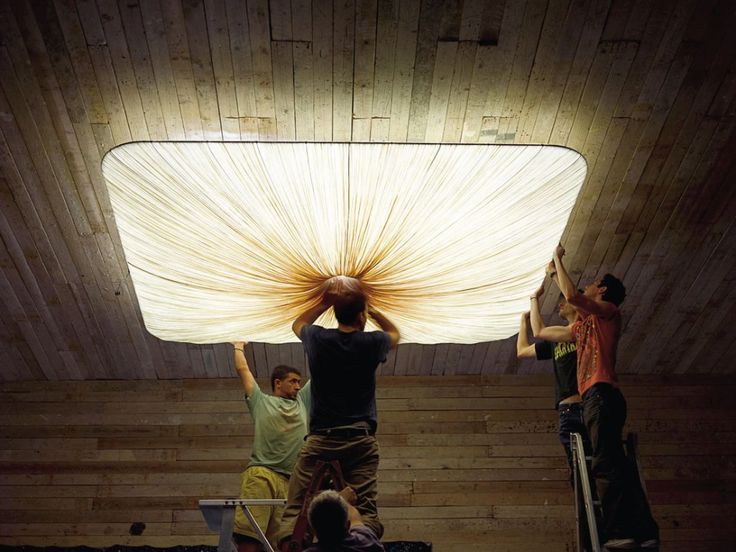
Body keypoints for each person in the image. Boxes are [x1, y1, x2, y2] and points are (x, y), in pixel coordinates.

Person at [534, 245, 659, 550]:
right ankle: (644, 532)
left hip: (601, 395)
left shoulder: (609, 313)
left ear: (601, 290)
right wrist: (534, 297)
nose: (587, 284)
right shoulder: (583, 325)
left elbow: (575, 296)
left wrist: (558, 264)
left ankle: (620, 533)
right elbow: (542, 332)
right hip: (598, 398)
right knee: (616, 464)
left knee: (604, 464)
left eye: (592, 282)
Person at [277, 276, 400, 548]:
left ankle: (290, 545)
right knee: (365, 512)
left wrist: (324, 302)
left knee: (295, 510)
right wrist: (374, 308)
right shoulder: (371, 343)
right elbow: (395, 334)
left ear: (336, 313)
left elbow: (298, 324)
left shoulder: (319, 339)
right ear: (361, 316)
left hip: (321, 440)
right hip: (360, 442)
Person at [231, 341, 311, 552]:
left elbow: (322, 372)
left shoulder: (302, 401)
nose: (297, 386)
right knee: (250, 534)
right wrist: (238, 345)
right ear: (278, 382)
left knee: (284, 540)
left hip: (290, 482)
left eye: (299, 382)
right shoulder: (260, 401)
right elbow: (243, 370)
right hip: (262, 474)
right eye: (293, 381)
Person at [516, 279, 590, 484]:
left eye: (564, 301)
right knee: (577, 469)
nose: (560, 304)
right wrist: (523, 320)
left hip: (584, 406)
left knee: (592, 463)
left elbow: (540, 329)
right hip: (567, 410)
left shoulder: (583, 330)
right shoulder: (558, 339)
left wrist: (534, 298)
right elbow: (522, 351)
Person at [304, 487, 384, 552]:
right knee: (368, 515)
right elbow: (356, 520)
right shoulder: (366, 541)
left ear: (313, 530)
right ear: (348, 524)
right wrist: (343, 499)